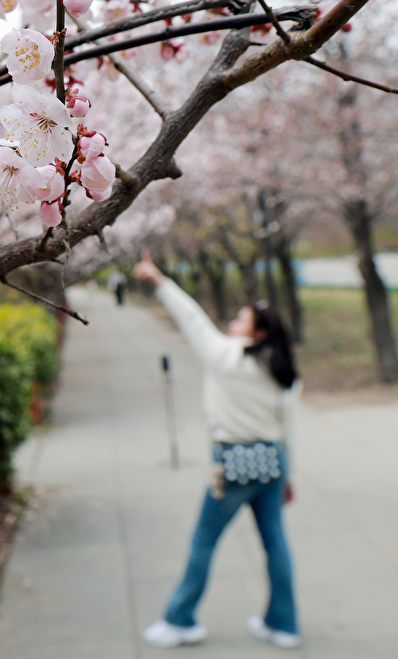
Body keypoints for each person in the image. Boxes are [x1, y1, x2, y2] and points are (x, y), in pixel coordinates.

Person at [133, 251, 302, 650]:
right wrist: (288, 474)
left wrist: (159, 280)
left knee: (203, 542)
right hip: (272, 463)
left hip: (234, 465)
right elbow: (288, 429)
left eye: (241, 320)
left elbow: (191, 318)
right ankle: (284, 624)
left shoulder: (225, 357)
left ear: (258, 334)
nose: (232, 324)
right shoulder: (284, 373)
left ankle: (179, 619)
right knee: (276, 544)